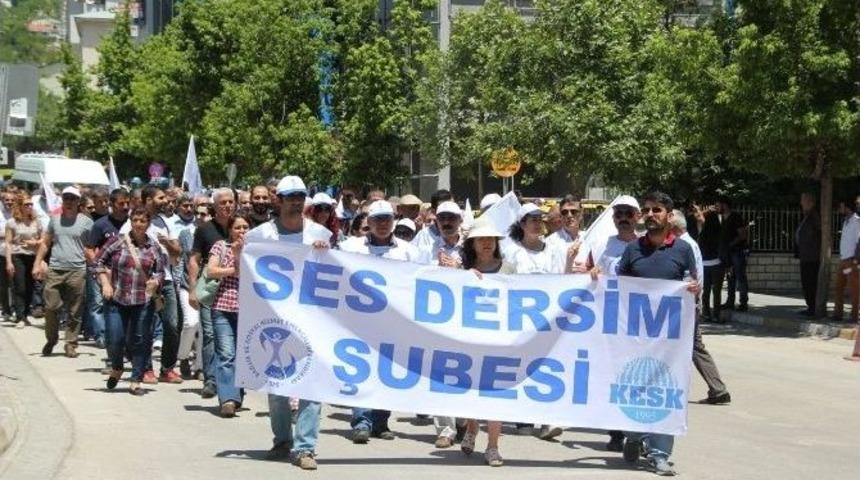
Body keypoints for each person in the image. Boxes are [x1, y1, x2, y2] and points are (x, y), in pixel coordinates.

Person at [245, 175, 331, 470]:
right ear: (278, 200)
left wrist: (326, 254)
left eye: (300, 196)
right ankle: (282, 440)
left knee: (312, 384)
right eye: (290, 196)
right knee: (278, 382)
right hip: (274, 321)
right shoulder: (259, 236)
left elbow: (336, 274)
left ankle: (305, 446)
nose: (295, 201)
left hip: (312, 319)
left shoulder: (321, 233)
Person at [617, 192, 700, 476]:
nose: (651, 214)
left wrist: (692, 290)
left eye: (657, 210)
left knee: (665, 390)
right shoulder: (631, 250)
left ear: (669, 215)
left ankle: (659, 453)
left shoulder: (683, 250)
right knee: (634, 386)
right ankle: (635, 435)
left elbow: (692, 283)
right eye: (647, 210)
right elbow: (616, 288)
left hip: (669, 339)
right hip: (635, 336)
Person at [339, 200, 420, 444]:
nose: (383, 224)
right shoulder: (350, 247)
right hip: (359, 320)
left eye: (387, 219)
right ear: (369, 222)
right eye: (378, 219)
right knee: (361, 371)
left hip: (394, 322)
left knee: (386, 373)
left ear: (393, 221)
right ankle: (361, 421)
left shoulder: (408, 251)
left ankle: (380, 422)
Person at [505, 202, 569, 441]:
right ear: (522, 224)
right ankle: (523, 418)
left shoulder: (553, 250)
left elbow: (562, 281)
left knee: (547, 369)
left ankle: (547, 420)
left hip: (548, 321)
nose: (537, 222)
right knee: (522, 369)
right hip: (520, 322)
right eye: (531, 219)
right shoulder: (512, 252)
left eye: (539, 218)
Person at [457, 218, 513, 466]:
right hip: (470, 340)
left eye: (491, 239)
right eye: (481, 239)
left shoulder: (509, 269)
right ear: (473, 244)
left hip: (500, 341)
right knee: (471, 391)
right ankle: (471, 427)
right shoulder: (463, 270)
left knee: (495, 394)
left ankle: (492, 446)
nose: (487, 243)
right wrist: (464, 279)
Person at [589, 195, 640, 452]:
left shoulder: (646, 246)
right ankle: (616, 432)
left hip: (638, 323)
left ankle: (637, 433)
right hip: (611, 322)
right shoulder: (603, 246)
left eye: (628, 214)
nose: (623, 219)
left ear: (637, 217)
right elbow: (592, 273)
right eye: (619, 214)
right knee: (613, 378)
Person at [97, 208, 165, 395]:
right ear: (130, 221)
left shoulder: (154, 247)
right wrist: (105, 283)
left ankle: (136, 379)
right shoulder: (117, 242)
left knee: (140, 339)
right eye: (135, 220)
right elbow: (98, 262)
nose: (138, 224)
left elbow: (160, 270)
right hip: (117, 297)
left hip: (143, 299)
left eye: (142, 221)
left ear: (148, 224)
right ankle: (117, 367)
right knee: (114, 338)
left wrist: (155, 281)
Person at [121, 186, 182, 385]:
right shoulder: (131, 223)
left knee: (172, 325)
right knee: (144, 326)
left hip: (166, 279)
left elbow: (177, 252)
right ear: (148, 200)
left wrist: (168, 243)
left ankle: (167, 368)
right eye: (161, 197)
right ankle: (145, 368)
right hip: (142, 283)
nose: (166, 201)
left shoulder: (165, 222)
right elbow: (121, 250)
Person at [672, 210, 731, 406]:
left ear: (676, 228)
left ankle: (718, 389)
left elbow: (692, 277)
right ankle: (718, 389)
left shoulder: (685, 245)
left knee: (692, 347)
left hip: (687, 305)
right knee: (693, 347)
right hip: (691, 303)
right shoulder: (689, 243)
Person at [34, 187, 94, 358]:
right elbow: (45, 243)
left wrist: (96, 267)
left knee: (75, 310)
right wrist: (37, 264)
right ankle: (51, 339)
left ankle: (70, 343)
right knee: (51, 307)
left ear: (78, 201)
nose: (69, 201)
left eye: (72, 198)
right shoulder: (54, 220)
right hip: (55, 268)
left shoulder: (86, 222)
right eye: (66, 198)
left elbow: (92, 246)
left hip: (77, 270)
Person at [188, 188, 236, 399]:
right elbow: (194, 260)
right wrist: (192, 289)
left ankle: (231, 381)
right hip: (210, 288)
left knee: (229, 340)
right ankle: (210, 379)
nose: (227, 205)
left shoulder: (241, 227)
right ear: (214, 206)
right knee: (209, 334)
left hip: (235, 291)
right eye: (223, 202)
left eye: (230, 202)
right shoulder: (205, 230)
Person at [207, 215, 250, 417]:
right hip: (223, 307)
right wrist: (234, 268)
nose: (242, 231)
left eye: (245, 227)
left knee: (242, 356)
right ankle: (228, 399)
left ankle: (237, 393)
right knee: (226, 354)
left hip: (248, 310)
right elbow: (212, 270)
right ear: (230, 229)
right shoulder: (220, 247)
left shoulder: (256, 249)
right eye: (238, 227)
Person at [176, 203, 210, 378]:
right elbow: (182, 261)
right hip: (187, 285)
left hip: (209, 287)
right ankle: (182, 357)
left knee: (204, 328)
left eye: (203, 213)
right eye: (197, 213)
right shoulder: (185, 234)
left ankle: (199, 367)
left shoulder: (215, 235)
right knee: (190, 323)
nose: (199, 216)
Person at [4, 192, 42, 327]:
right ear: (20, 206)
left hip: (32, 256)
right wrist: (8, 262)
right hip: (18, 255)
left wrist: (35, 243)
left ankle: (25, 314)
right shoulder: (12, 223)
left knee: (31, 286)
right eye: (26, 204)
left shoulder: (37, 221)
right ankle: (19, 316)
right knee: (20, 286)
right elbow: (8, 243)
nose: (30, 206)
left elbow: (43, 239)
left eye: (31, 204)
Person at [694, 203, 725, 322]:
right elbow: (722, 248)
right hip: (717, 263)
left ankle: (706, 313)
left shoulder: (703, 232)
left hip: (705, 264)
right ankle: (716, 315)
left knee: (705, 291)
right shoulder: (719, 232)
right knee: (717, 291)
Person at [718, 197, 749, 312]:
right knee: (730, 277)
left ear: (725, 205)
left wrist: (731, 244)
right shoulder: (723, 218)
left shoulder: (735, 217)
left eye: (719, 205)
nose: (717, 207)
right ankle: (730, 302)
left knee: (740, 277)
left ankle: (743, 303)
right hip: (728, 253)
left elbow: (742, 234)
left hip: (737, 251)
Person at [833, 198, 860, 322]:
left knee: (853, 289)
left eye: (841, 205)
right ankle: (838, 314)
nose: (840, 208)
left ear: (847, 206)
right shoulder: (845, 221)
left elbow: (859, 241)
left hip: (850, 260)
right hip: (843, 260)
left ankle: (854, 316)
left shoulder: (857, 221)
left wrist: (856, 259)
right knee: (838, 287)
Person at [794, 192, 821, 317]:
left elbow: (819, 234)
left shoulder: (814, 216)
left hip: (812, 256)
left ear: (810, 202)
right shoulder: (807, 215)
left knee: (810, 282)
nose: (801, 203)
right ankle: (810, 306)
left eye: (803, 200)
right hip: (806, 255)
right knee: (806, 282)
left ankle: (813, 308)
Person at [0, 190, 14, 322]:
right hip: (1, 253)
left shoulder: (17, 214)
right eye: (7, 200)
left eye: (11, 200)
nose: (9, 202)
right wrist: (9, 235)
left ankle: (16, 308)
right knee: (3, 284)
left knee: (15, 283)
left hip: (15, 253)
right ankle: (6, 310)